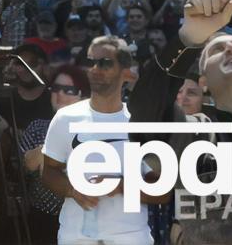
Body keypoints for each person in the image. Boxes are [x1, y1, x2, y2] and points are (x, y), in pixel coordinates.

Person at [128, 0, 232, 244]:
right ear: (204, 81)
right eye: (216, 50)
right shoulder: (191, 134)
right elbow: (145, 110)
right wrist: (188, 39)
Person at [42, 36, 163, 245]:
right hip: (75, 238)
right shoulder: (65, 118)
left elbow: (163, 192)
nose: (95, 69)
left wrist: (120, 186)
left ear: (127, 72)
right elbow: (49, 172)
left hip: (131, 238)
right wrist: (73, 190)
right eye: (90, 62)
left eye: (105, 63)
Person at [18, 64, 89, 245]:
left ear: (84, 96)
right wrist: (55, 139)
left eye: (69, 90)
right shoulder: (38, 127)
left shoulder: (96, 131)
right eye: (56, 88)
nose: (60, 95)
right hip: (42, 220)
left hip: (85, 219)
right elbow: (25, 166)